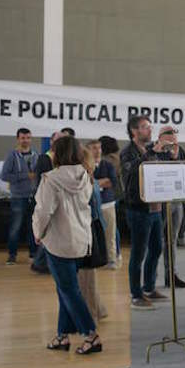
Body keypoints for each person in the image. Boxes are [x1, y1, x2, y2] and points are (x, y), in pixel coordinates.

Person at [33, 136, 102, 355]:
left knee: (69, 290)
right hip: (81, 240)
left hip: (59, 242)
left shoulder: (50, 179)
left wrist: (38, 233)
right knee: (64, 288)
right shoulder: (86, 176)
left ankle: (91, 335)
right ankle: (62, 336)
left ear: (56, 154)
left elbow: (44, 211)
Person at [120, 115, 169, 310]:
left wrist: (169, 155)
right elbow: (131, 172)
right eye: (144, 127)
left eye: (150, 127)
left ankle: (149, 287)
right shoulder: (127, 152)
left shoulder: (150, 150)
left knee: (156, 249)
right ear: (134, 131)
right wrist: (150, 154)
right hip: (139, 209)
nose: (149, 130)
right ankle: (135, 294)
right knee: (138, 253)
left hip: (156, 208)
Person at [153, 126, 185, 289]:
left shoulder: (180, 151)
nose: (174, 139)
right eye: (170, 137)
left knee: (172, 239)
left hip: (176, 200)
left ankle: (171, 275)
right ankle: (151, 278)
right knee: (155, 240)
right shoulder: (154, 150)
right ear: (161, 137)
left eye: (175, 137)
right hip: (160, 200)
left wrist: (176, 157)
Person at [0, 128, 38, 265]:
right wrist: (24, 176)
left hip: (33, 197)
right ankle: (12, 255)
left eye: (28, 138)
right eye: (22, 138)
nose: (25, 140)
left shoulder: (36, 155)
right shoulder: (12, 155)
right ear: (18, 139)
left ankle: (33, 254)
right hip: (18, 197)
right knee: (15, 227)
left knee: (33, 227)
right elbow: (4, 176)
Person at [30, 130, 66, 274]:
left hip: (59, 200)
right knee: (48, 232)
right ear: (51, 141)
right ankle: (39, 263)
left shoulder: (62, 158)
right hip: (48, 199)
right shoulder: (45, 158)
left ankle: (41, 263)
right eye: (57, 140)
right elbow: (42, 181)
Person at [79, 145, 107, 321]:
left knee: (85, 277)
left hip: (85, 229)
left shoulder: (82, 180)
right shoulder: (91, 178)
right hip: (93, 227)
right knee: (88, 276)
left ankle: (90, 315)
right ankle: (98, 308)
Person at [90, 139, 119, 270]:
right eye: (94, 148)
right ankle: (97, 259)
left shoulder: (107, 165)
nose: (97, 151)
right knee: (94, 234)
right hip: (91, 205)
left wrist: (94, 183)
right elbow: (85, 183)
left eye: (99, 148)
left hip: (107, 204)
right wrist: (101, 182)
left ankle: (112, 259)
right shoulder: (85, 165)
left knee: (110, 233)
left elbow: (112, 182)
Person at [100, 136, 123, 268]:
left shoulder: (110, 160)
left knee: (112, 227)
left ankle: (116, 252)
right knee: (113, 227)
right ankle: (116, 253)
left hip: (113, 194)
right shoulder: (116, 157)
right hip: (116, 194)